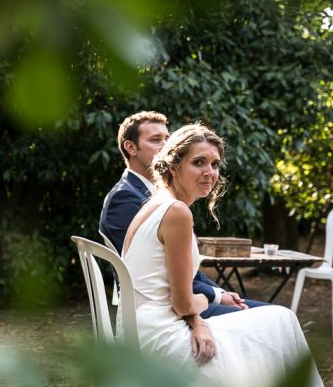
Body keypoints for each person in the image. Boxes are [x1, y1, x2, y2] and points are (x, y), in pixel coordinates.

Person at [120, 123, 333, 387]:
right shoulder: (177, 212)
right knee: (280, 321)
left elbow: (172, 290)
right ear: (174, 165)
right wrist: (206, 306)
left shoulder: (153, 204)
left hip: (141, 323)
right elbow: (182, 302)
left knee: (277, 321)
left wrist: (202, 313)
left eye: (215, 164)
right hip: (158, 331)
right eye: (199, 162)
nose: (209, 172)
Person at [99, 111, 265, 318]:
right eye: (156, 140)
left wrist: (219, 292)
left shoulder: (162, 197)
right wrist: (207, 304)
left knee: (274, 316)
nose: (165, 146)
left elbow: (183, 269)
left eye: (167, 139)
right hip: (159, 309)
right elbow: (150, 273)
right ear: (131, 147)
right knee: (277, 319)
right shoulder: (125, 198)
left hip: (176, 301)